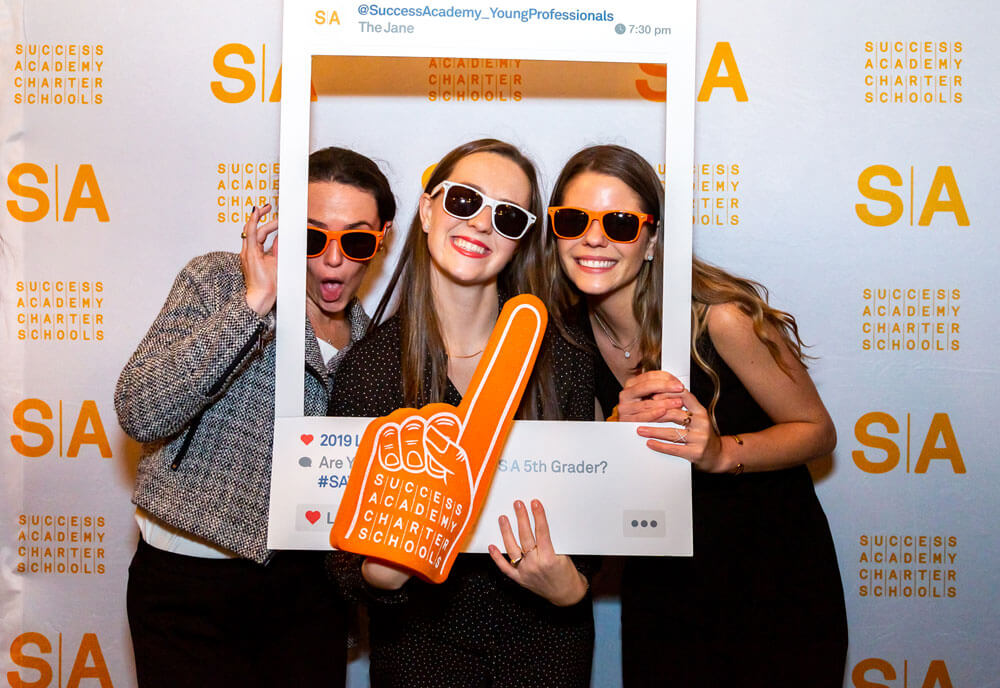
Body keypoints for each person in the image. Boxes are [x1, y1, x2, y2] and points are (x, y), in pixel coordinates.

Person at [546, 144, 848, 688]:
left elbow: (818, 431)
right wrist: (614, 431)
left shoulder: (721, 318)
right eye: (573, 220)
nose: (593, 238)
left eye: (619, 223)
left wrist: (719, 452)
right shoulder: (565, 336)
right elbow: (595, 471)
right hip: (664, 580)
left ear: (653, 238)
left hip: (772, 574)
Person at [115, 147, 396, 688]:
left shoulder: (375, 345)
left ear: (381, 239)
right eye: (313, 237)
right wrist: (253, 303)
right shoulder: (217, 282)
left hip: (310, 587)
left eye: (356, 240)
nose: (332, 260)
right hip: (189, 580)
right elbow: (140, 410)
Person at [328, 138, 596, 688]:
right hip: (418, 649)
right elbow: (339, 556)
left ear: (520, 241)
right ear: (427, 210)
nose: (480, 225)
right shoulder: (369, 369)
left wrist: (572, 586)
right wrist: (378, 570)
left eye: (506, 215)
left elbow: (596, 519)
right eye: (464, 201)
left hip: (544, 647)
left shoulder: (562, 359)